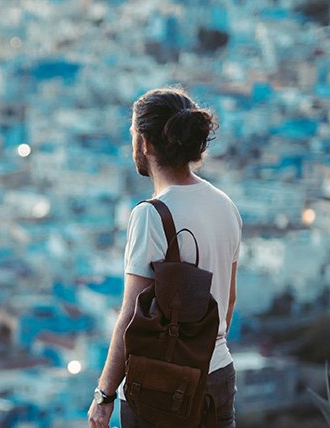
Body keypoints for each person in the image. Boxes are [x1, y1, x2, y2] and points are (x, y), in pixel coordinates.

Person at [88, 87, 242, 428]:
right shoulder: (225, 205)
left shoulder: (152, 215)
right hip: (218, 373)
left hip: (162, 385)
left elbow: (130, 315)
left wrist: (104, 395)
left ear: (144, 143)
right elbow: (227, 299)